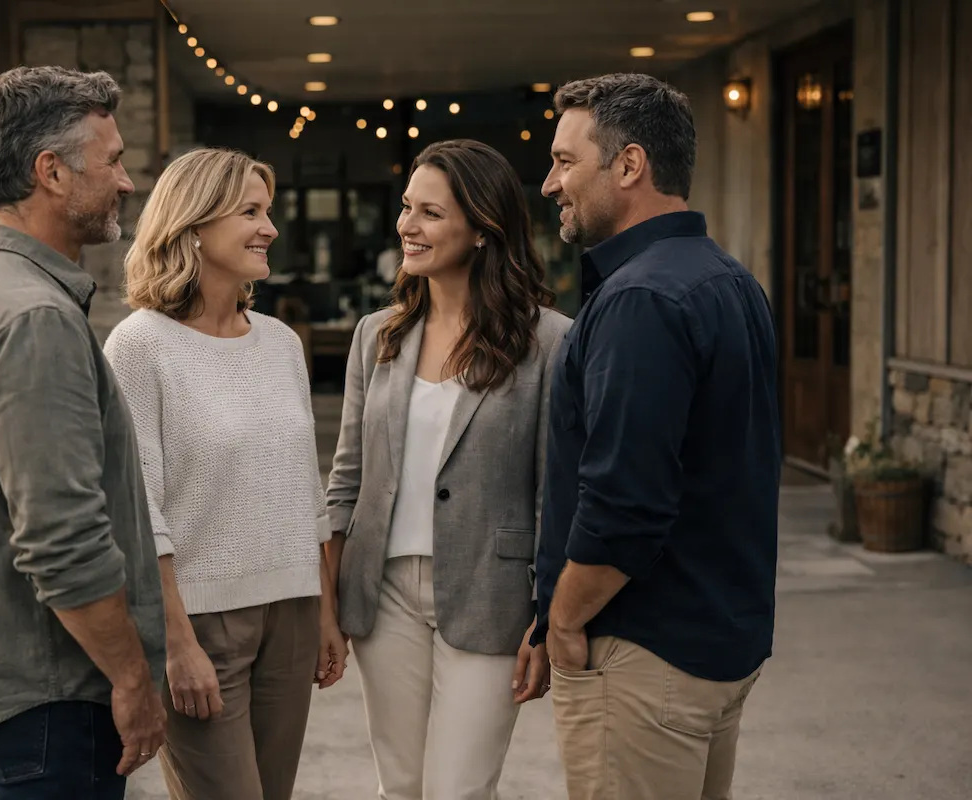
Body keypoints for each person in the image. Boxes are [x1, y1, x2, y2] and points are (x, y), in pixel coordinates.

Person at [0, 66, 167, 800]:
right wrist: (132, 679)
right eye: (112, 160)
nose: (127, 183)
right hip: (51, 701)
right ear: (50, 171)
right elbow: (62, 538)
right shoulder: (34, 320)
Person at [533, 72, 781, 799]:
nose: (550, 184)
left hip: (646, 655)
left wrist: (565, 620)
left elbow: (625, 504)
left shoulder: (641, 299)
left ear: (630, 165)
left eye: (565, 161)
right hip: (719, 644)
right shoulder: (729, 280)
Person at [325, 139, 572, 799]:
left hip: (490, 597)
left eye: (430, 213)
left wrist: (547, 617)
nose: (408, 225)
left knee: (458, 790)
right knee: (400, 787)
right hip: (382, 597)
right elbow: (344, 483)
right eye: (407, 208)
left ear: (485, 229)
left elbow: (557, 497)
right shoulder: (378, 335)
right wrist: (327, 602)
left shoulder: (550, 342)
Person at [102, 146, 346, 800]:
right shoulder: (139, 346)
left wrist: (325, 609)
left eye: (268, 211)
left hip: (292, 615)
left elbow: (305, 488)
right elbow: (138, 510)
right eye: (250, 211)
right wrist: (175, 644)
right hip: (202, 622)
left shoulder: (281, 343)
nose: (270, 227)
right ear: (194, 223)